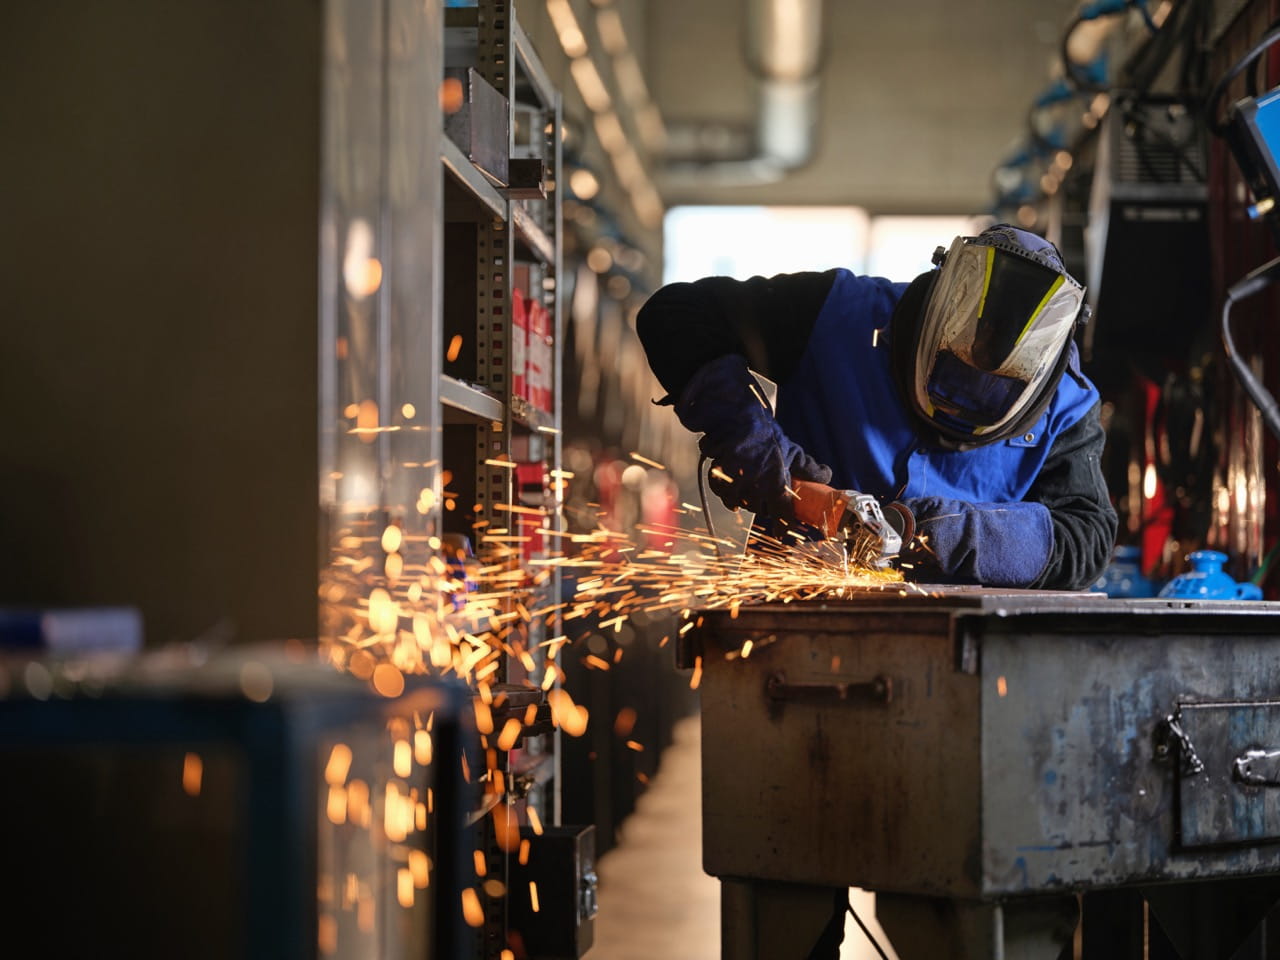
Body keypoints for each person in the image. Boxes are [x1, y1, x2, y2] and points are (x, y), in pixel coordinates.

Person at [636, 223, 1118, 592]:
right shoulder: (837, 314)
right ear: (934, 312)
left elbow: (1088, 535)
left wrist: (949, 534)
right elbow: (676, 315)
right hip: (795, 614)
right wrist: (759, 453)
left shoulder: (1068, 405)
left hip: (968, 652)